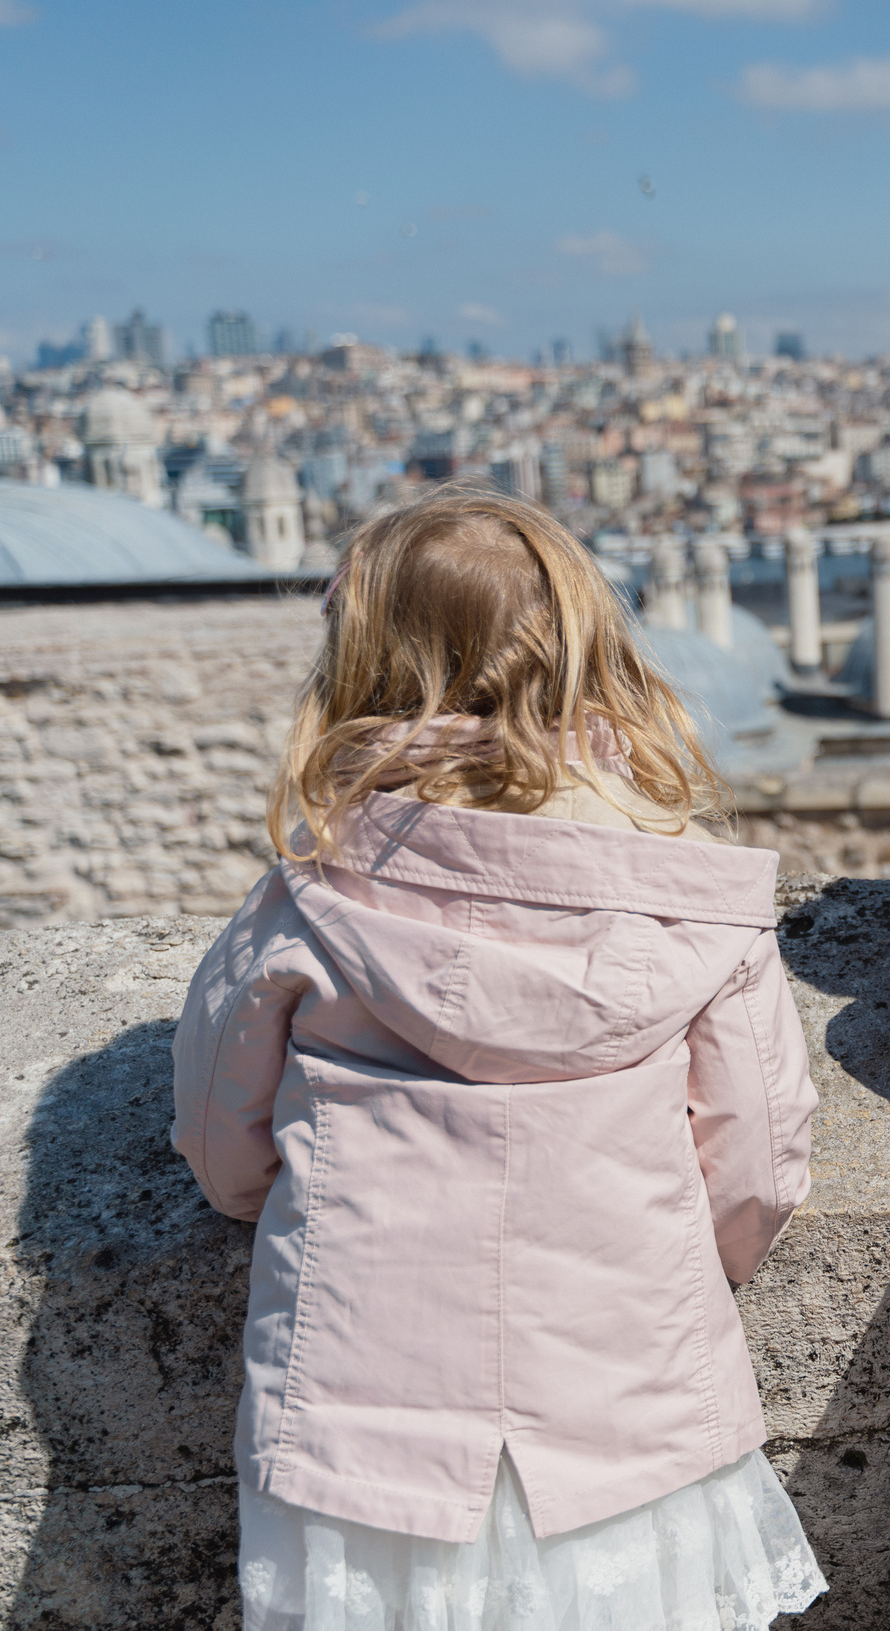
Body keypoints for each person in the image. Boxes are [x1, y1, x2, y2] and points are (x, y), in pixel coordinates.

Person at [172, 490, 825, 1631]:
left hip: (365, 1412)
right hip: (631, 1403)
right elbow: (757, 1167)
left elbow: (225, 1155)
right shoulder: (692, 901)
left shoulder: (304, 902)